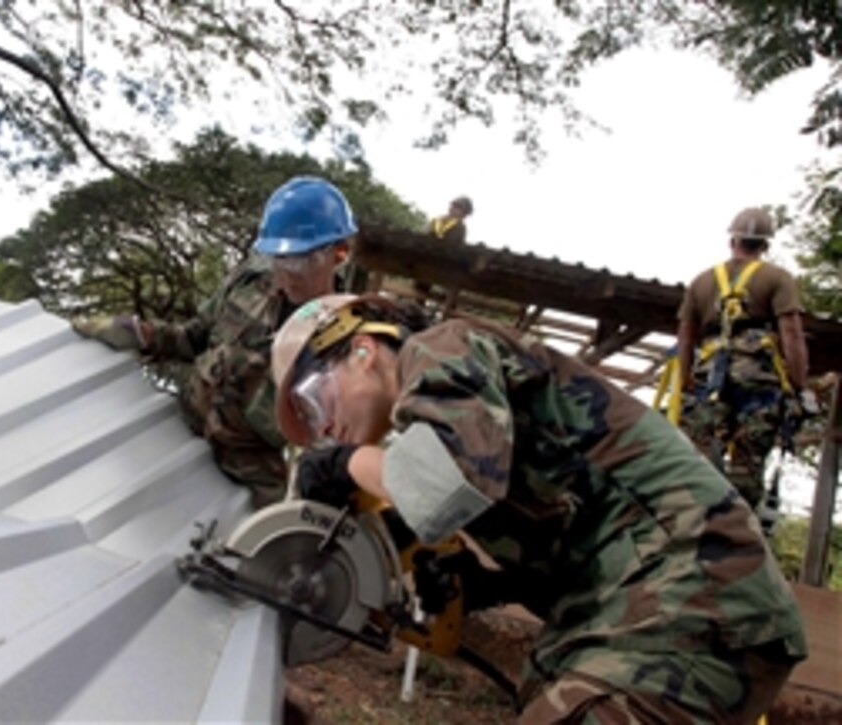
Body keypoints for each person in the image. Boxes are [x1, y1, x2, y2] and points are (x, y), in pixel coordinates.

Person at [270, 293, 806, 722]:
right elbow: (566, 529)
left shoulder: (440, 347)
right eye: (311, 426)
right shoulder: (449, 420)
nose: (325, 430)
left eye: (316, 401)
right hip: (661, 611)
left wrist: (345, 465)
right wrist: (482, 584)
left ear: (363, 349)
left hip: (695, 599)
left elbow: (439, 485)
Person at [75, 176, 356, 506]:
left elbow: (324, 437)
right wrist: (141, 334)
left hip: (253, 475)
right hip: (180, 428)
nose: (286, 274)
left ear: (339, 254)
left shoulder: (347, 340)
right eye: (279, 259)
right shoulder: (247, 283)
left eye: (300, 261)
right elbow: (193, 339)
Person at [677, 207, 812, 511]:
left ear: (732, 240)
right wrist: (798, 386)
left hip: (708, 382)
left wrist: (685, 382)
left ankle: (694, 515)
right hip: (758, 382)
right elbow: (791, 332)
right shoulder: (778, 278)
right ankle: (737, 527)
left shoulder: (701, 282)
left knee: (697, 457)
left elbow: (685, 338)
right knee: (747, 463)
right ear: (765, 245)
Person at [416, 196, 472, 305]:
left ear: (464, 214)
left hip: (444, 262)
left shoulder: (460, 227)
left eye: (458, 208)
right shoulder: (437, 221)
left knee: (450, 288)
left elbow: (456, 247)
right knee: (420, 286)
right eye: (453, 206)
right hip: (428, 259)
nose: (454, 209)